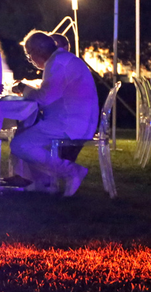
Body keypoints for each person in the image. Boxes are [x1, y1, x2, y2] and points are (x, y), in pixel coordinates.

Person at [9, 30, 95, 197]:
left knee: (20, 144)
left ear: (37, 51)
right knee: (25, 130)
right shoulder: (62, 59)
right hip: (77, 119)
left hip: (70, 123)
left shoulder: (57, 63)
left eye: (29, 55)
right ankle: (42, 182)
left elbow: (44, 98)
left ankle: (70, 171)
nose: (30, 60)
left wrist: (23, 88)